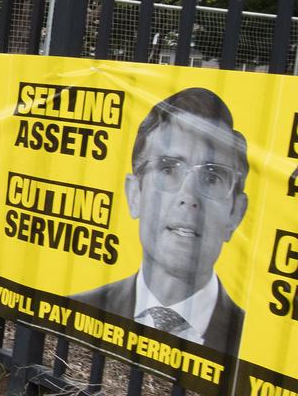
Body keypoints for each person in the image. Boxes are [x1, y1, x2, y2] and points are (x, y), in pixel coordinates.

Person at [74, 87, 248, 353]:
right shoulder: (76, 310)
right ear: (134, 194)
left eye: (213, 177)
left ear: (235, 212)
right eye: (167, 169)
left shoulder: (252, 345)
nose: (188, 197)